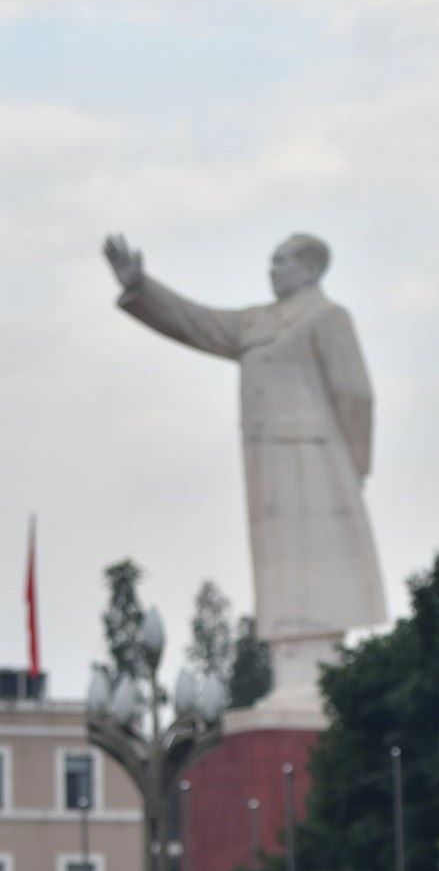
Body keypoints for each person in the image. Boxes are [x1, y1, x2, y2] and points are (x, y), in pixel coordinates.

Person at [103, 232, 386, 702]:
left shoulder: (327, 318)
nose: (271, 270)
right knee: (282, 567)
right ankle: (290, 672)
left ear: (311, 270)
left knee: (319, 563)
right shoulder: (258, 322)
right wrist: (142, 287)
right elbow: (199, 323)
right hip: (270, 463)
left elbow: (356, 395)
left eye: (281, 262)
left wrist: (353, 470)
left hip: (316, 458)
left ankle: (319, 671)